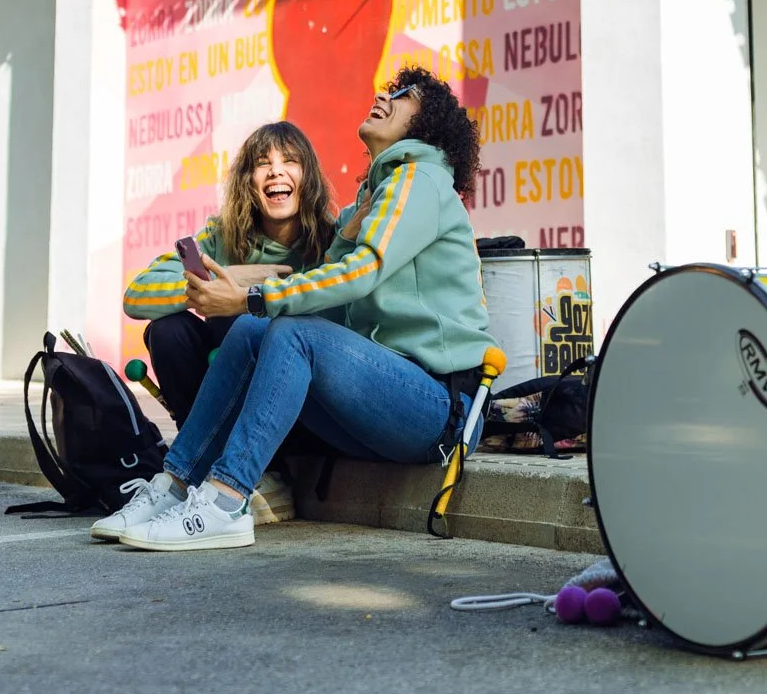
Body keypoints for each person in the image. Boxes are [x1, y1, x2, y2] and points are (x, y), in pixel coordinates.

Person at [109, 66, 496, 552]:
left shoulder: (420, 179)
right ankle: (177, 483)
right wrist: (253, 298)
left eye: (403, 95)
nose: (385, 96)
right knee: (253, 332)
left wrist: (253, 293)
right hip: (385, 401)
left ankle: (227, 500)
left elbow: (362, 272)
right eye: (388, 89)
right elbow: (342, 299)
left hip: (441, 408)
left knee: (286, 330)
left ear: (427, 124)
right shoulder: (373, 195)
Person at [92, 121, 334, 541]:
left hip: (300, 406)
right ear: (247, 181)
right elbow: (137, 296)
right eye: (263, 164)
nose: (276, 172)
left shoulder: (332, 242)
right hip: (225, 401)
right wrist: (239, 276)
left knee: (246, 319)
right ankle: (190, 474)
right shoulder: (223, 237)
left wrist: (250, 296)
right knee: (169, 330)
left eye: (289, 161)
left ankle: (258, 471)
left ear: (308, 176)